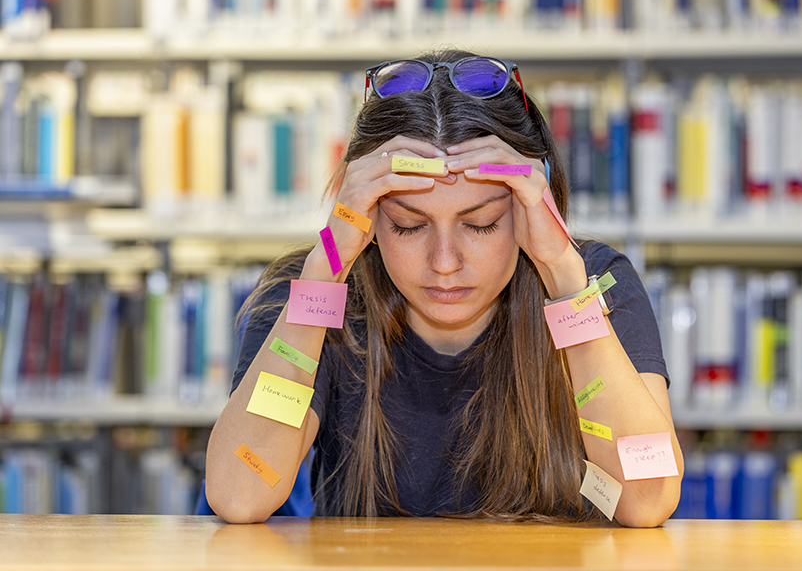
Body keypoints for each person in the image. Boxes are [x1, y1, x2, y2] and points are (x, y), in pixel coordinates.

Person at [205, 49, 683, 527]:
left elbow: (647, 499)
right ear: (366, 217)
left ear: (529, 208)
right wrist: (324, 272)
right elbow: (240, 496)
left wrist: (562, 275)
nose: (445, 263)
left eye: (481, 224)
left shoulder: (595, 284)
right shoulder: (312, 297)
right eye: (409, 226)